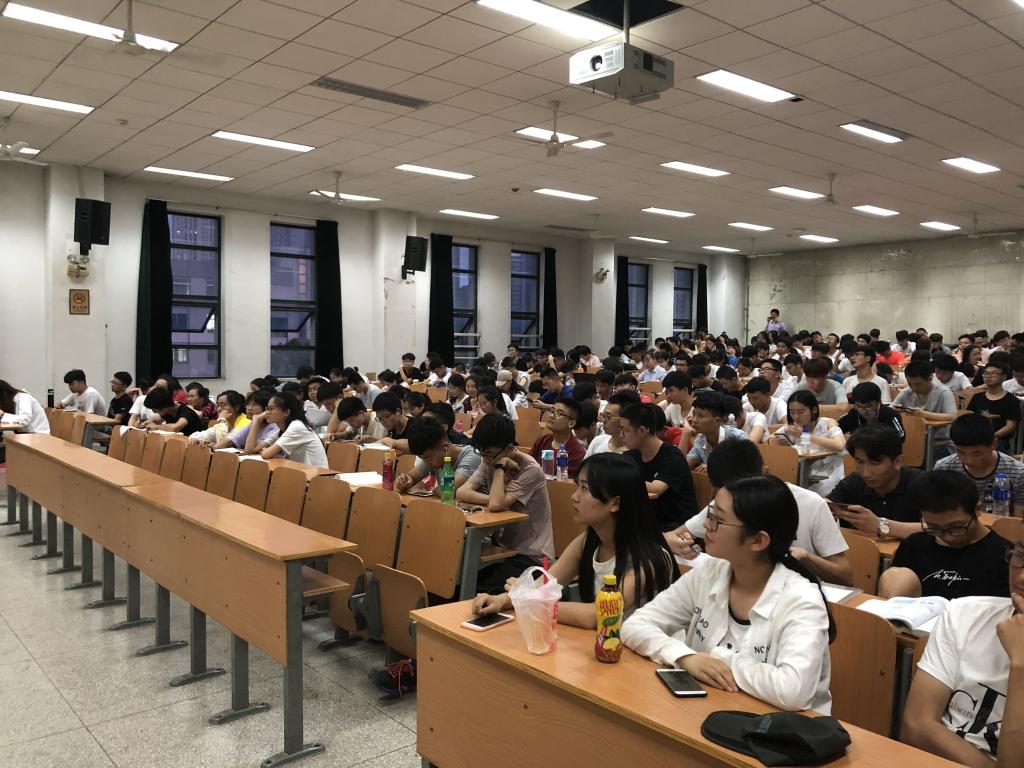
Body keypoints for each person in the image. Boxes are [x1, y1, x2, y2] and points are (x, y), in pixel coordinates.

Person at [622, 474, 833, 713]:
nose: (706, 525)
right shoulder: (709, 572)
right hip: (709, 712)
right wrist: (685, 657)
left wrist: (719, 658)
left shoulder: (802, 599)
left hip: (779, 728)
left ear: (758, 540)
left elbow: (794, 692)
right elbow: (634, 625)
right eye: (710, 514)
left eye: (718, 520)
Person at [473, 453, 679, 626]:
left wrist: (527, 600)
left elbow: (598, 615)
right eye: (577, 486)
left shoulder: (649, 560)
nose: (574, 496)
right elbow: (546, 583)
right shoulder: (589, 541)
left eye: (585, 489)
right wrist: (501, 600)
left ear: (615, 503)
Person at [901, 529, 1024, 766]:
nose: (1020, 579)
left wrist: (1020, 665)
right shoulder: (964, 613)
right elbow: (916, 725)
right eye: (1020, 556)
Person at [672, 439, 852, 585]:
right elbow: (672, 536)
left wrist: (806, 557)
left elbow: (845, 576)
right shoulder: (724, 502)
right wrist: (678, 544)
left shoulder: (812, 504)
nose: (738, 502)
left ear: (765, 472)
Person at [456, 414, 554, 593]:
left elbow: (495, 506)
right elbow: (462, 492)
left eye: (489, 455)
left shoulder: (530, 470)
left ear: (509, 448)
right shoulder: (489, 459)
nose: (486, 460)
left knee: (476, 589)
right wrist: (496, 497)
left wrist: (500, 468)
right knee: (458, 578)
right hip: (503, 549)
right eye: (482, 454)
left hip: (532, 557)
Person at [879, 471, 1011, 600]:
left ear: (977, 510)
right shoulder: (914, 546)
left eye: (956, 527)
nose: (948, 537)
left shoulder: (1004, 555)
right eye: (934, 528)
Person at [828, 424, 923, 540]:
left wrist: (879, 525)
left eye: (875, 463)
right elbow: (827, 504)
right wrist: (824, 510)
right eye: (859, 462)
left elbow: (935, 529)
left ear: (898, 462)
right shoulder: (854, 481)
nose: (866, 473)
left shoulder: (922, 484)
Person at [620, 403, 697, 531]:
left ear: (642, 431)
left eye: (625, 430)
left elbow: (656, 489)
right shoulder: (631, 455)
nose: (621, 435)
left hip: (676, 527)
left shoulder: (673, 456)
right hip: (648, 520)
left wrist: (619, 479)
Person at [935, 413, 1024, 516]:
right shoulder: (943, 468)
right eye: (961, 452)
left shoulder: (1018, 472)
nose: (968, 460)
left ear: (994, 444)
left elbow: (1018, 520)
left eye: (976, 454)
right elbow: (937, 512)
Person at [769, 390, 846, 496]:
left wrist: (805, 435)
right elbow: (769, 440)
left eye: (800, 412)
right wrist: (778, 444)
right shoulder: (792, 428)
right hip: (801, 474)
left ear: (814, 410)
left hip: (828, 475)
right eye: (792, 412)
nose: (796, 416)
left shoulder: (827, 423)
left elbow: (839, 445)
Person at [394, 416, 481, 496]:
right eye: (422, 458)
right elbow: (412, 477)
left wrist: (435, 490)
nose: (426, 463)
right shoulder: (435, 455)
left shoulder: (472, 457)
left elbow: (446, 490)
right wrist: (406, 481)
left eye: (427, 458)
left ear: (445, 446)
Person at [248, 391, 328, 468]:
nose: (266, 413)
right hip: (302, 472)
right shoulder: (282, 429)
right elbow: (250, 449)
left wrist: (256, 420)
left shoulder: (297, 427)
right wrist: (256, 422)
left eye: (271, 408)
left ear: (286, 412)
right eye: (267, 408)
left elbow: (265, 454)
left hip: (317, 474)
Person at [892, 361, 958, 446]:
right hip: (913, 439)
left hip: (939, 442)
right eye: (910, 384)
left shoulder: (944, 392)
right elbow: (890, 409)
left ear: (930, 378)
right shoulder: (907, 392)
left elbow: (953, 416)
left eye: (918, 384)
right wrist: (897, 411)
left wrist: (923, 414)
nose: (914, 388)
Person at [686, 391, 747, 471]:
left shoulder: (738, 438)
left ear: (717, 421)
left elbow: (744, 470)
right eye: (694, 414)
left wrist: (713, 468)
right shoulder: (700, 441)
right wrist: (685, 434)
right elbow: (684, 465)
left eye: (700, 416)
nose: (694, 420)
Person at [967, 361, 1020, 452]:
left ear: (1004, 377)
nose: (988, 376)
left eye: (993, 373)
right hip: (976, 437)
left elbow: (1010, 426)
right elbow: (970, 417)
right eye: (986, 373)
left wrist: (992, 436)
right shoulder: (977, 397)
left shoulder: (1011, 400)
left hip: (999, 439)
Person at [530, 397, 585, 479]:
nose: (551, 416)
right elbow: (528, 464)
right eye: (552, 411)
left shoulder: (577, 453)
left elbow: (567, 483)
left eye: (559, 414)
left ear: (571, 423)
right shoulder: (542, 441)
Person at [837, 382, 904, 439]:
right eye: (859, 406)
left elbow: (900, 437)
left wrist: (872, 424)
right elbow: (836, 428)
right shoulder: (854, 413)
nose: (863, 410)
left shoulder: (890, 414)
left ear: (879, 402)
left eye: (868, 406)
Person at [585, 391, 639, 457]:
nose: (603, 420)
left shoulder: (634, 454)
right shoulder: (598, 441)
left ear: (625, 420)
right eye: (603, 415)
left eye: (608, 417)